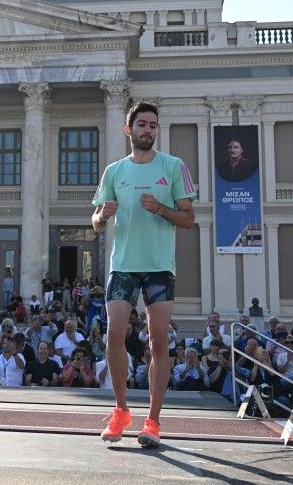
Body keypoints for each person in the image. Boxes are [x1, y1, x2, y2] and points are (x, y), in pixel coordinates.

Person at [94, 101, 197, 447]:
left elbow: (188, 219)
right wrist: (102, 216)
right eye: (141, 124)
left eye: (153, 125)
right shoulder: (114, 171)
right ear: (129, 130)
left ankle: (152, 421)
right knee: (115, 334)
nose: (147, 130)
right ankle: (121, 410)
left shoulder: (174, 167)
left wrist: (160, 208)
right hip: (123, 264)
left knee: (158, 342)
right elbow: (95, 222)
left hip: (158, 266)